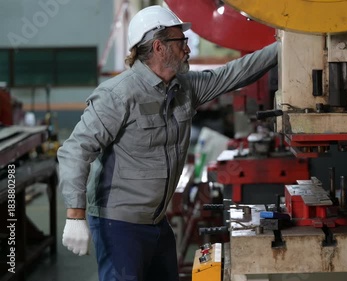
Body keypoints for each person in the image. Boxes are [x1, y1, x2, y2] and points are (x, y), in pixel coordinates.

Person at [58, 5, 277, 281]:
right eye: (181, 42)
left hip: (157, 222)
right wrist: (75, 214)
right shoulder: (118, 95)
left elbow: (234, 73)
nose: (187, 49)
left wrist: (282, 47)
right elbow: (75, 150)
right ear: (159, 47)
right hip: (119, 225)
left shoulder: (184, 87)